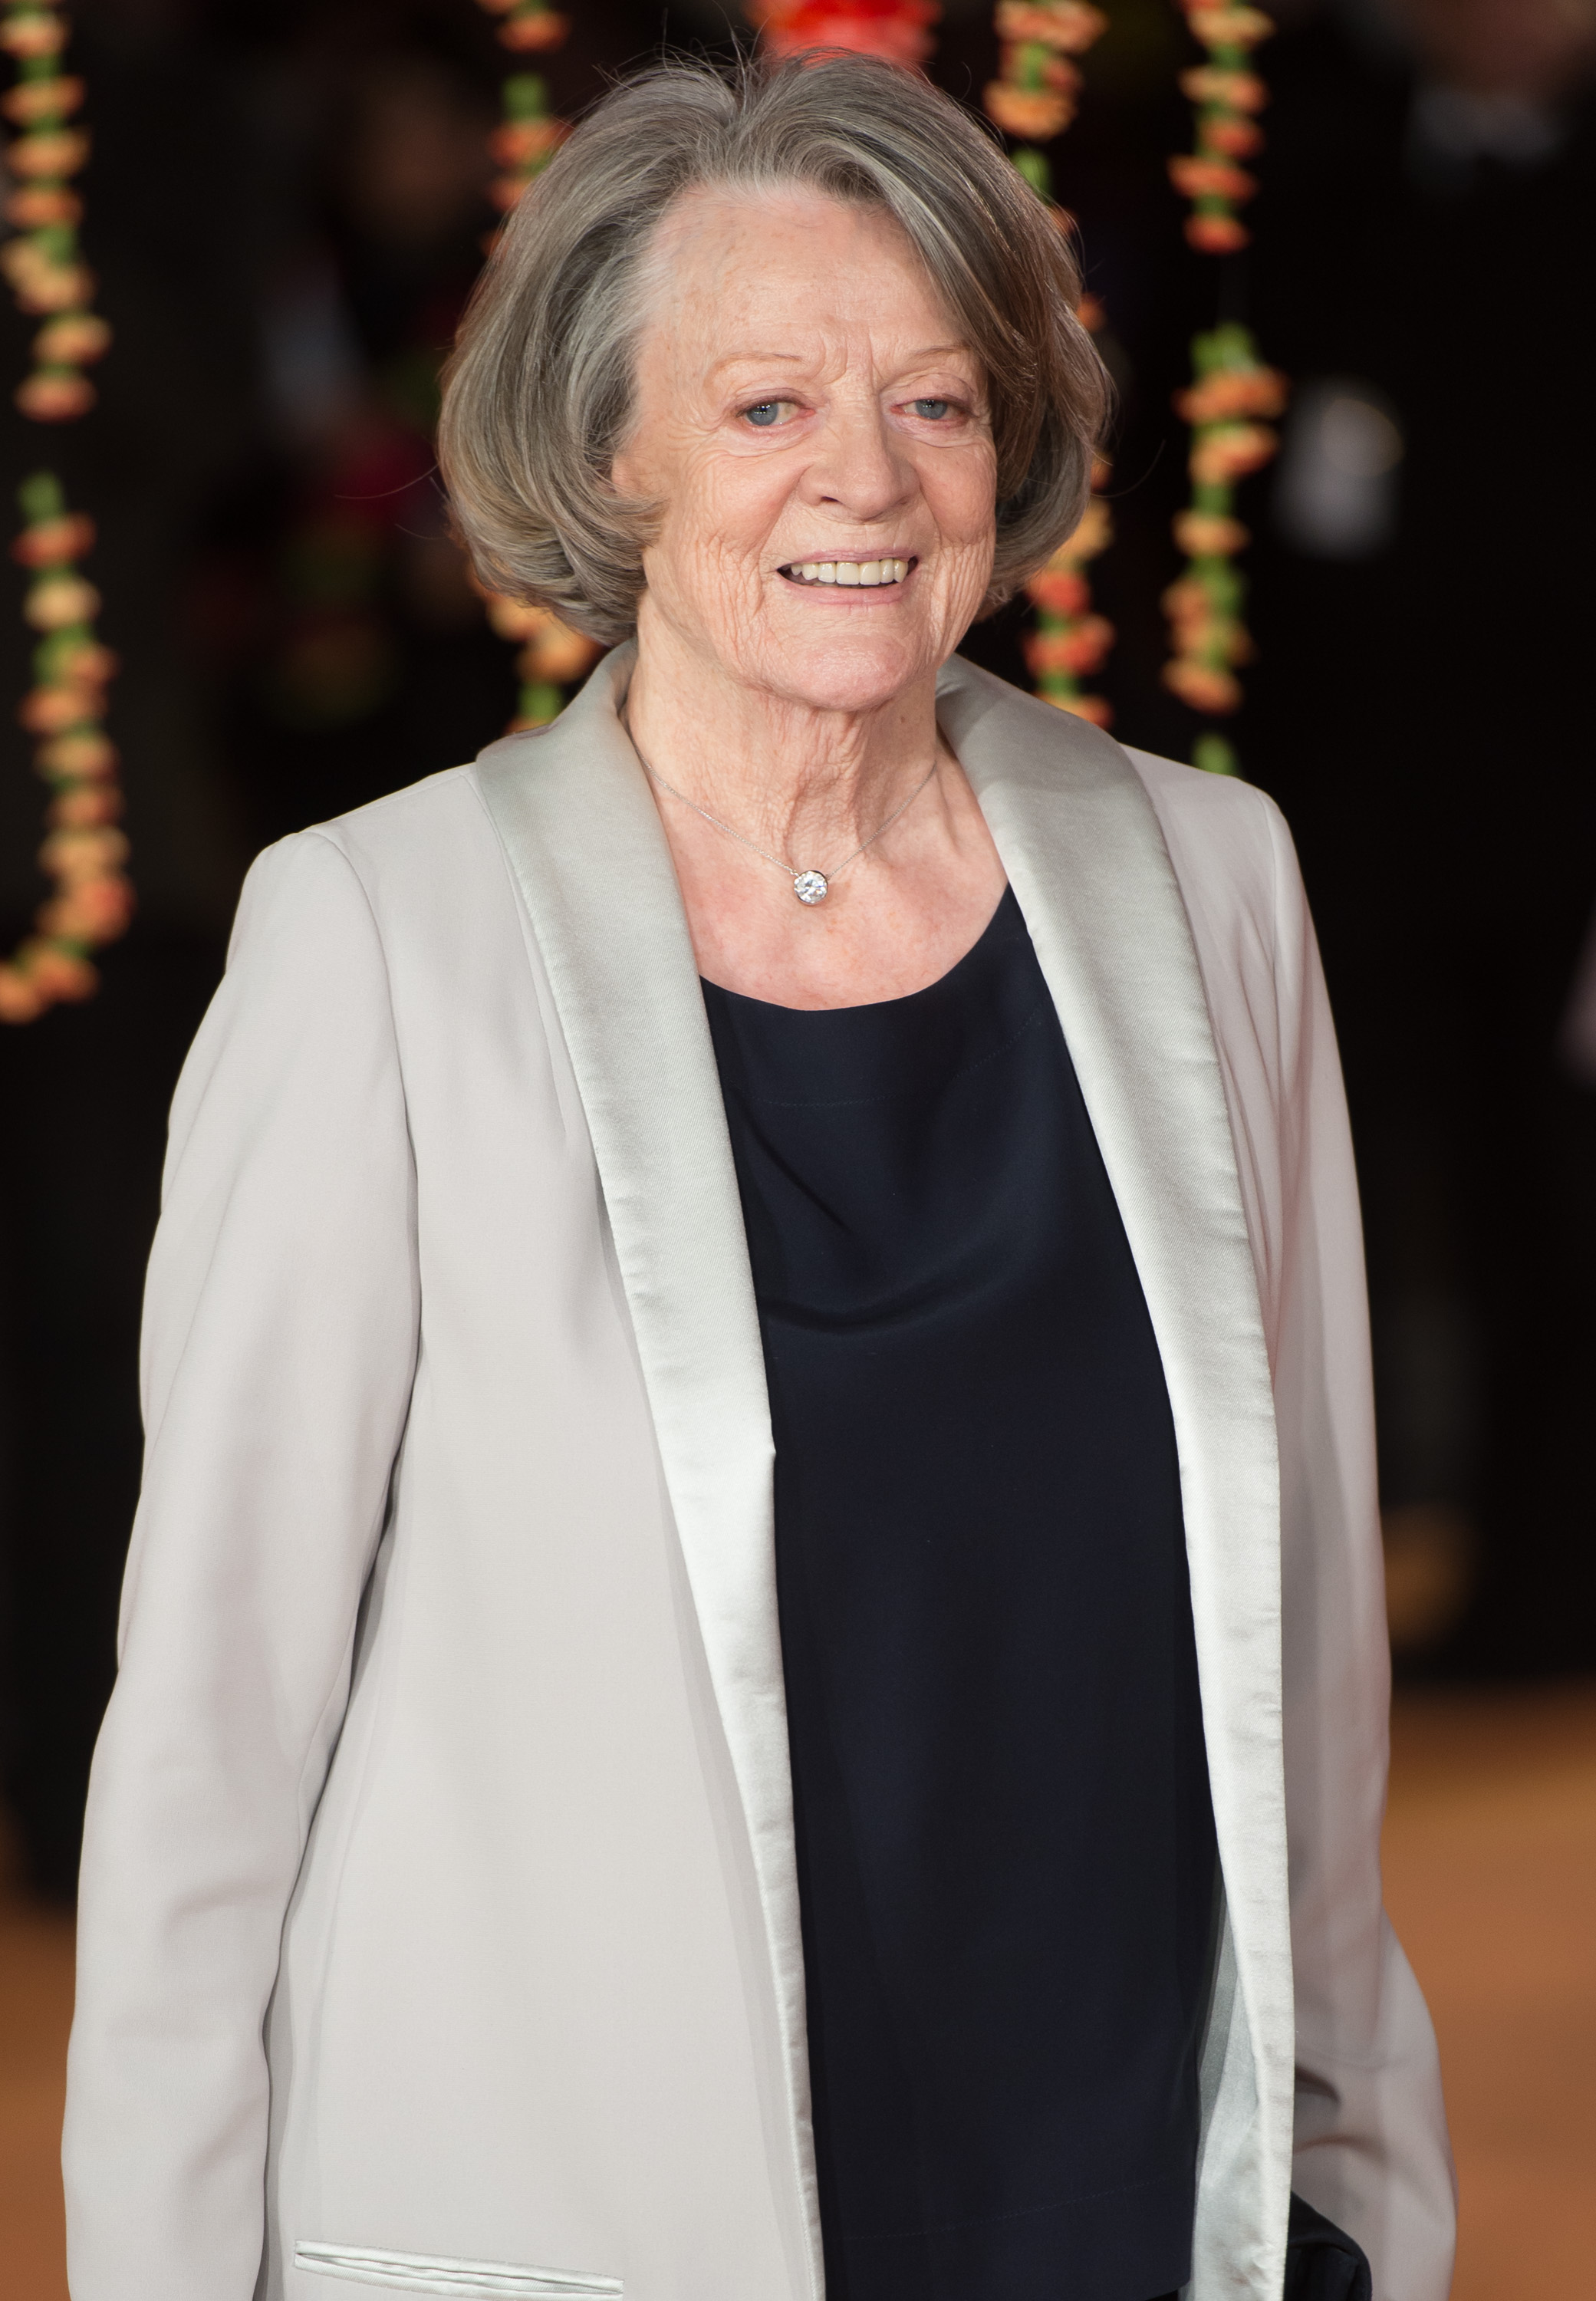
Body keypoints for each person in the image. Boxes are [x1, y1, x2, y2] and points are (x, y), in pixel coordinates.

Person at [62, 52, 1455, 2301]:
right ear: (603, 457)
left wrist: (1365, 2200)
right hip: (585, 2233)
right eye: (764, 409)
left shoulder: (1210, 880)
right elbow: (211, 1753)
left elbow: (1301, 1652)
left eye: (932, 402)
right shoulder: (378, 942)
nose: (869, 483)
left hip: (1118, 2192)